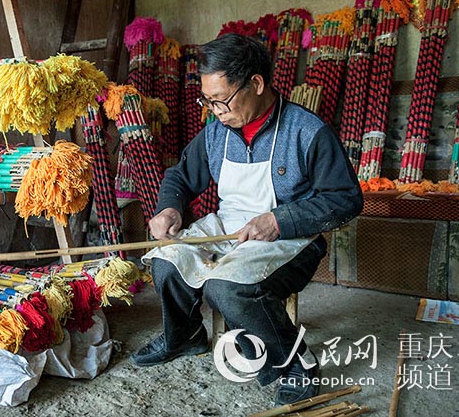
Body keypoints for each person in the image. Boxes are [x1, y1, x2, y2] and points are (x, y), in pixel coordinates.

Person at [130, 33, 363, 405]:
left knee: (227, 287)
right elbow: (179, 176)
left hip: (291, 236)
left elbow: (345, 199)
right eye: (208, 101)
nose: (216, 111)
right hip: (229, 225)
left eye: (221, 100)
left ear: (256, 83)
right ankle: (184, 336)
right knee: (166, 260)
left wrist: (278, 220)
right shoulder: (216, 133)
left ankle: (295, 362)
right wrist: (169, 208)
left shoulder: (306, 131)